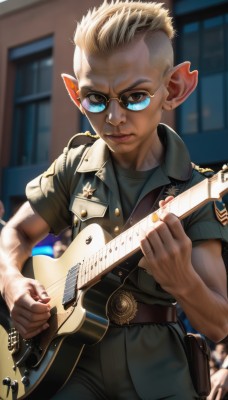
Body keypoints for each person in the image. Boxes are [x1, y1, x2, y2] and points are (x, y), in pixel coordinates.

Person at [0, 1, 228, 399]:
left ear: (173, 88)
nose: (114, 117)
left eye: (135, 97)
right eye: (95, 100)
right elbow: (16, 231)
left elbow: (218, 324)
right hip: (68, 368)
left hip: (160, 375)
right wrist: (12, 284)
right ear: (74, 93)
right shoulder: (74, 165)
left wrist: (184, 283)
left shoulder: (195, 191)